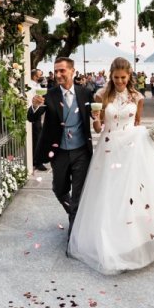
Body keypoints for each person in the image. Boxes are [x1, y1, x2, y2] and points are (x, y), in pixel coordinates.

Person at [68, 57, 154, 274]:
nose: (119, 81)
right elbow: (98, 129)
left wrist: (149, 136)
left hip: (132, 147)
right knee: (111, 194)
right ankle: (112, 240)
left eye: (123, 78)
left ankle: (135, 239)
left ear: (129, 77)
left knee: (135, 193)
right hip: (109, 148)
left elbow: (137, 122)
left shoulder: (137, 97)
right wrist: (96, 118)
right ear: (111, 75)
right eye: (116, 77)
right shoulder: (101, 96)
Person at [28, 57, 95, 237]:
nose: (58, 74)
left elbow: (96, 117)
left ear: (72, 71)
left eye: (62, 71)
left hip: (81, 151)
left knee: (78, 193)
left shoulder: (85, 94)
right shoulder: (49, 95)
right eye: (56, 71)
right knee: (59, 189)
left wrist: (98, 115)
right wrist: (34, 106)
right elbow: (32, 118)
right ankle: (75, 214)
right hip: (59, 152)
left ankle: (74, 233)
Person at [27, 68, 48, 171]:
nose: (42, 77)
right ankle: (37, 161)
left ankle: (39, 159)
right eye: (40, 75)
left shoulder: (37, 85)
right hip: (33, 112)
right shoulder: (30, 86)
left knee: (39, 136)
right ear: (34, 76)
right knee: (37, 137)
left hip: (39, 111)